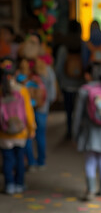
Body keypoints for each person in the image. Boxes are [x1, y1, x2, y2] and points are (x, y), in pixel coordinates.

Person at [72, 63, 101, 201]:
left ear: (87, 75)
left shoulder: (84, 91)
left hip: (90, 132)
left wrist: (75, 135)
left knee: (90, 160)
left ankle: (91, 189)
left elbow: (77, 115)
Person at [17, 32, 57, 172]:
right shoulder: (46, 67)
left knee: (27, 134)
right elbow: (51, 88)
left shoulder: (21, 68)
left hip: (25, 106)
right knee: (40, 134)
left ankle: (31, 162)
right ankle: (41, 161)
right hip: (41, 106)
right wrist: (47, 102)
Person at [0, 58, 36, 194]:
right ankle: (19, 184)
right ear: (16, 73)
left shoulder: (1, 91)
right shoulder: (22, 91)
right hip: (21, 132)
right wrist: (31, 128)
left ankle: (9, 185)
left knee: (8, 159)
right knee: (20, 159)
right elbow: (28, 112)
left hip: (4, 132)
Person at [55, 20, 85, 140]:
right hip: (81, 84)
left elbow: (58, 68)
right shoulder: (83, 45)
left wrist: (61, 82)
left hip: (67, 85)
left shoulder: (63, 47)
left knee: (69, 110)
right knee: (80, 109)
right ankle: (79, 131)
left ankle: (69, 130)